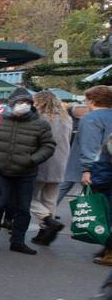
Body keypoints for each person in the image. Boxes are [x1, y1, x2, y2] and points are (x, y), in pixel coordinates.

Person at [0, 88, 55, 254]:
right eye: (18, 102)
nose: (22, 105)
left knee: (23, 209)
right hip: (1, 171)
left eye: (27, 102)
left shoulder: (40, 124)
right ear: (11, 104)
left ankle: (17, 241)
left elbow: (48, 146)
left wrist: (32, 159)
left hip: (26, 173)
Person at [64, 85, 112, 267]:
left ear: (91, 101)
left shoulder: (91, 119)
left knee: (102, 210)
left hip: (101, 167)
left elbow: (91, 148)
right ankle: (107, 247)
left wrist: (86, 170)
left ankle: (109, 250)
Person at [29, 90, 72, 245]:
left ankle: (47, 220)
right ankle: (44, 231)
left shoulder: (39, 118)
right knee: (50, 198)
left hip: (42, 160)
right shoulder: (66, 118)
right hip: (61, 162)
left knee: (28, 197)